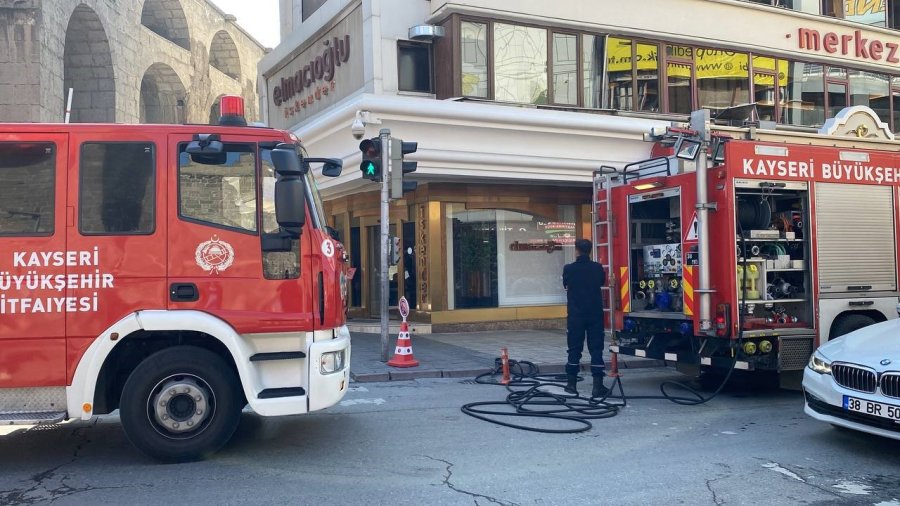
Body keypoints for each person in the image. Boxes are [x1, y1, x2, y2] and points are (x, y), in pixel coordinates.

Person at [562, 238, 608, 398]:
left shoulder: (569, 268)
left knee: (574, 348)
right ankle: (597, 386)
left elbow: (566, 284)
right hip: (595, 314)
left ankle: (571, 385)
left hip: (576, 315)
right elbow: (603, 281)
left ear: (576, 250)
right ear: (590, 250)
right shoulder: (597, 268)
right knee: (596, 349)